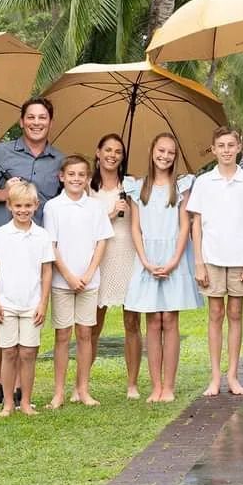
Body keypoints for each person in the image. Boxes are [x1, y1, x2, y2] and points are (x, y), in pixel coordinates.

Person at [0, 97, 63, 410]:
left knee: (30, 315)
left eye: (42, 117)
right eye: (31, 117)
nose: (36, 122)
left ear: (50, 122)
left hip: (37, 252)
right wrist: (3, 193)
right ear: (21, 121)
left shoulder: (59, 161)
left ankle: (21, 387)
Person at [189, 127, 243, 397]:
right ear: (213, 149)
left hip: (240, 257)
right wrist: (198, 261)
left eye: (230, 145)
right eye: (220, 145)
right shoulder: (203, 183)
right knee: (215, 314)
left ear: (238, 148)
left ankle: (233, 375)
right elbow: (196, 223)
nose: (225, 150)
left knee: (235, 314)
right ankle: (215, 378)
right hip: (211, 256)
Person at [123, 133, 202, 403]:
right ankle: (155, 385)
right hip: (147, 257)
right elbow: (134, 227)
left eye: (170, 152)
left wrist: (174, 261)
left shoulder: (181, 186)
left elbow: (184, 226)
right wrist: (145, 260)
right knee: (152, 321)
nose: (165, 156)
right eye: (161, 150)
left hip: (173, 256)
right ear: (152, 151)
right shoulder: (138, 187)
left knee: (169, 319)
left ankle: (169, 386)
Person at [43, 155, 114, 408]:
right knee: (63, 335)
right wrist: (70, 276)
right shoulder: (53, 207)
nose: (76, 179)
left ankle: (82, 388)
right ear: (62, 177)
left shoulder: (95, 207)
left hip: (89, 281)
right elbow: (52, 246)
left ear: (87, 179)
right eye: (71, 174)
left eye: (81, 175)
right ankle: (59, 392)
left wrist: (87, 274)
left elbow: (102, 241)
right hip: (63, 282)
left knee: (85, 334)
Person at [0, 182, 54, 417]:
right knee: (9, 352)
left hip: (32, 305)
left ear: (36, 206)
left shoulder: (42, 236)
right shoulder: (1, 235)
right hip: (7, 304)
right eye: (18, 206)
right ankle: (7, 403)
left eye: (27, 206)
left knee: (27, 353)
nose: (23, 210)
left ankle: (25, 401)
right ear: (9, 206)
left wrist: (43, 302)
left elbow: (46, 272)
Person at [88, 133, 143, 398]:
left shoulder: (131, 185)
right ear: (97, 152)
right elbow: (82, 227)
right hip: (99, 257)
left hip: (127, 253)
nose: (112, 155)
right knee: (93, 323)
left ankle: (132, 383)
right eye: (107, 150)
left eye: (118, 151)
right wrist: (109, 215)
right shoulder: (87, 186)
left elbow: (142, 220)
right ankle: (82, 384)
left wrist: (130, 202)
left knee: (131, 321)